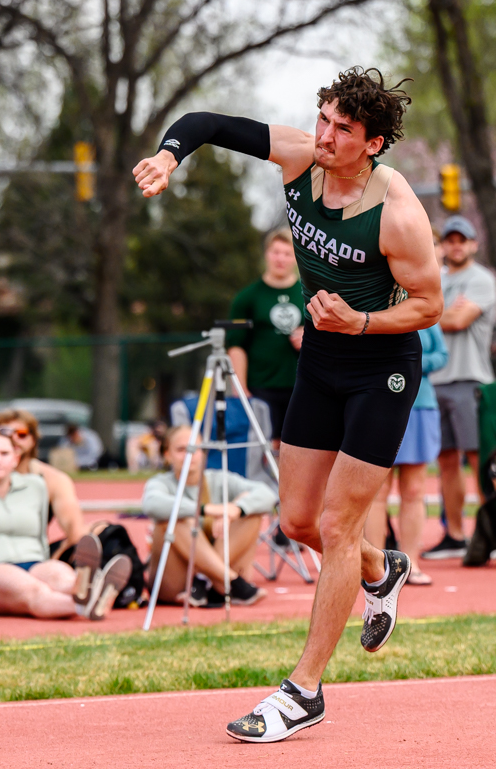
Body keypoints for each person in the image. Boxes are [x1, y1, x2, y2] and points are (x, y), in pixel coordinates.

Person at [134, 66, 443, 743]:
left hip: (380, 369)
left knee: (336, 522)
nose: (325, 136)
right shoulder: (300, 156)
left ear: (376, 143)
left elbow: (429, 305)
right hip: (322, 361)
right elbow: (208, 124)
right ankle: (379, 565)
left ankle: (302, 689)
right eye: (324, 119)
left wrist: (359, 322)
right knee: (299, 518)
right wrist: (167, 154)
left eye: (343, 129)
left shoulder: (397, 213)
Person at [0, 429, 130, 620]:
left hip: (35, 563)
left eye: (4, 454)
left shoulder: (36, 487)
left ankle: (86, 587)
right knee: (34, 591)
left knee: (62, 575)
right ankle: (87, 604)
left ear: (16, 458)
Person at [422, 215, 496, 561]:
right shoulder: (433, 277)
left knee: (477, 458)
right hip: (434, 381)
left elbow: (457, 320)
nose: (455, 245)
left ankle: (493, 533)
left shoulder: (481, 279)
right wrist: (437, 312)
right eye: (449, 240)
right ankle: (454, 535)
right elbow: (441, 315)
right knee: (446, 462)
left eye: (461, 240)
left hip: (469, 380)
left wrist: (425, 311)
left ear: (473, 244)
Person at [143, 425, 275, 607]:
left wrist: (234, 510)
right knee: (174, 517)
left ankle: (206, 579)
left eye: (196, 448)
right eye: (182, 450)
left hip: (218, 582)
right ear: (167, 455)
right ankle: (231, 581)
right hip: (176, 583)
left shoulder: (219, 479)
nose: (190, 454)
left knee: (247, 507)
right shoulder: (160, 483)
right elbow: (152, 503)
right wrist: (207, 509)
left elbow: (268, 494)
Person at [364, 320, 446, 586]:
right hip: (379, 403)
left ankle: (411, 564)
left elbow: (441, 354)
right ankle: (375, 568)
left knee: (414, 489)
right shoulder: (373, 309)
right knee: (377, 491)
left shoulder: (425, 314)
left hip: (420, 405)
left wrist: (411, 362)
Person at [0, 408, 86, 558]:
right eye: (5, 433)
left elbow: (74, 528)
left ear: (33, 439)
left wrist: (55, 558)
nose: (14, 439)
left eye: (21, 434)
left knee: (103, 531)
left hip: (33, 554)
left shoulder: (52, 480)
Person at [227, 228, 304, 448]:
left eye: (287, 253)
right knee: (265, 448)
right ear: (267, 254)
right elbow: (236, 345)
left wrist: (309, 338)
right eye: (276, 252)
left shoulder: (310, 293)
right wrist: (240, 389)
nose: (280, 259)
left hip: (302, 385)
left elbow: (330, 334)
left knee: (297, 448)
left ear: (296, 257)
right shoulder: (247, 298)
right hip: (261, 385)